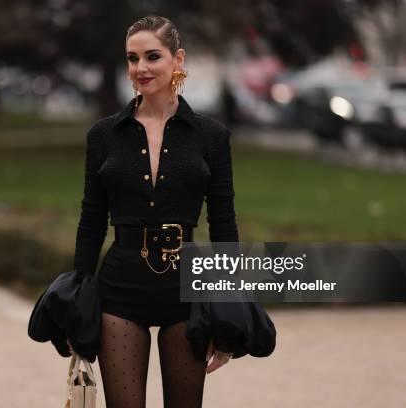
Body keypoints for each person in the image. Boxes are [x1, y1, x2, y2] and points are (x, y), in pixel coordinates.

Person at [66, 15, 273, 408]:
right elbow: (91, 220)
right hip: (120, 288)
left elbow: (223, 221)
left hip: (186, 290)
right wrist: (76, 300)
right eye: (132, 58)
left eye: (152, 56)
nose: (140, 68)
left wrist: (227, 306)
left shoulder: (211, 137)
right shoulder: (103, 135)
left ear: (177, 60)